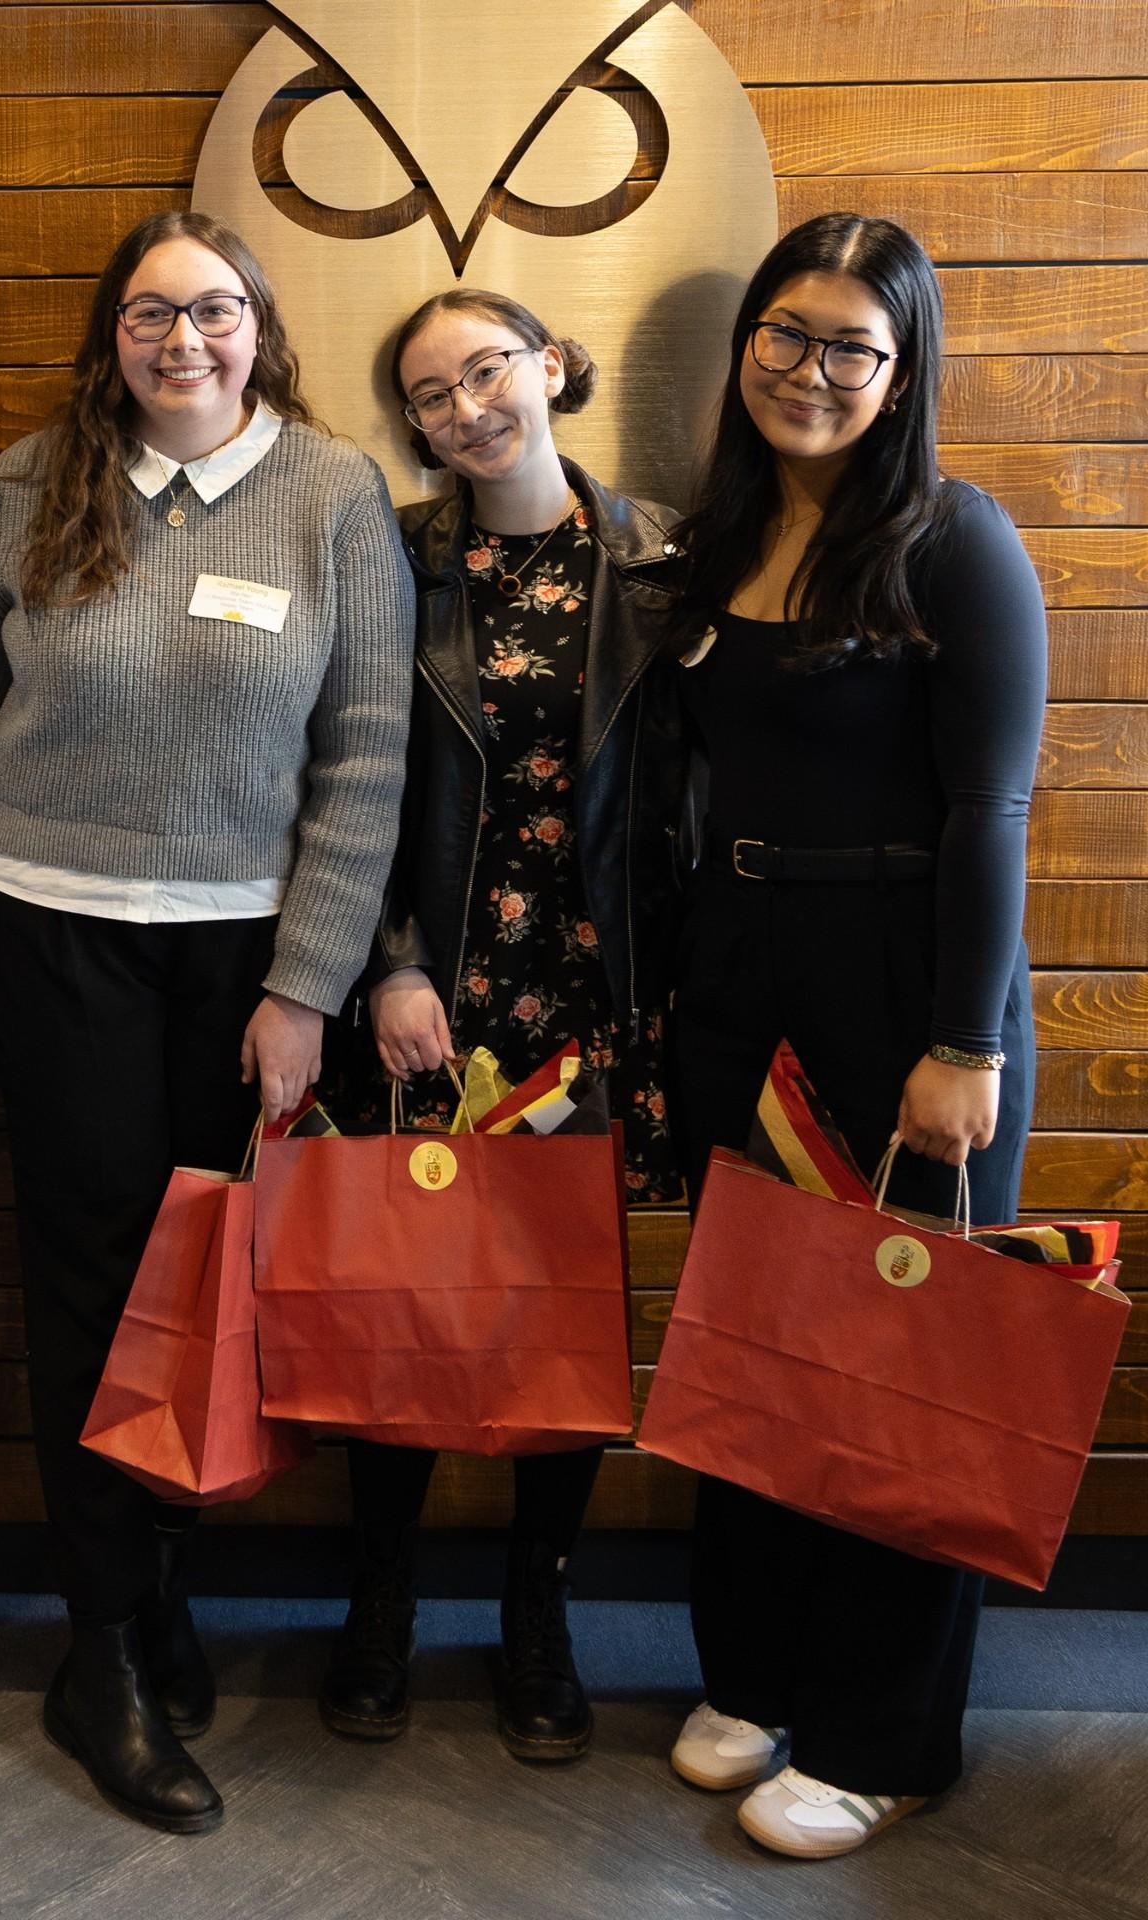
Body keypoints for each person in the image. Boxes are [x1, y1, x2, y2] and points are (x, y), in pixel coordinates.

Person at [0, 209, 414, 1833]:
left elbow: (365, 761)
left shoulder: (334, 493)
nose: (182, 340)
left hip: (238, 966)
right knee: (86, 1285)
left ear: (259, 324)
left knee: (208, 1289)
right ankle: (103, 1650)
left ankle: (154, 1587)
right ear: (112, 333)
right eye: (151, 314)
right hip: (52, 933)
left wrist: (306, 987)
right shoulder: (26, 483)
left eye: (213, 310)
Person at [662, 212, 1047, 1859]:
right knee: (756, 1346)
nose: (811, 373)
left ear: (902, 374)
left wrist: (967, 1041)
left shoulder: (955, 540)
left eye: (851, 348)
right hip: (743, 984)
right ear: (747, 340)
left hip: (906, 989)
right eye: (787, 334)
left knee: (908, 1370)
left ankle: (886, 1734)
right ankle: (751, 1675)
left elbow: (993, 808)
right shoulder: (721, 531)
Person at [320, 289, 686, 1759]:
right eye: (429, 393)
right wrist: (389, 962)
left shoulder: (658, 558)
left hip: (596, 1000)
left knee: (563, 1318)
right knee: (404, 1308)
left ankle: (539, 1606)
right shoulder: (397, 558)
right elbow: (348, 773)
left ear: (550, 366)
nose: (468, 405)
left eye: (489, 369)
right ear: (409, 425)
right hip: (438, 994)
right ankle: (381, 1600)